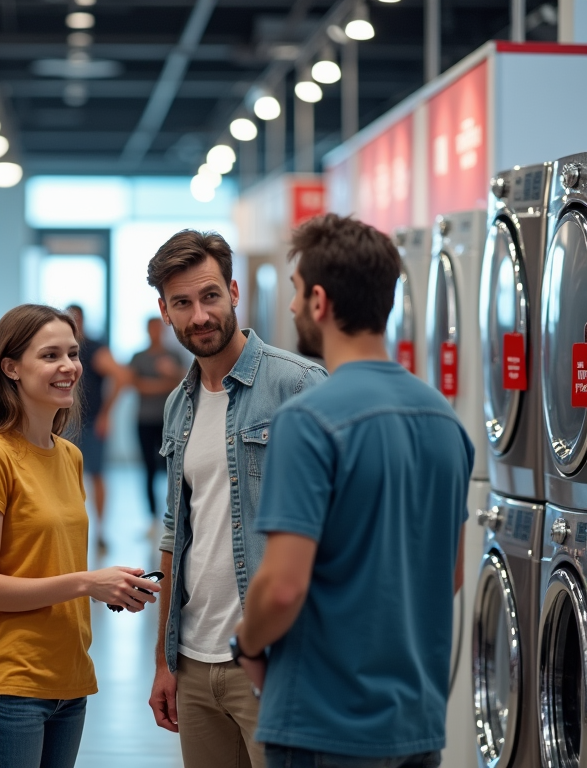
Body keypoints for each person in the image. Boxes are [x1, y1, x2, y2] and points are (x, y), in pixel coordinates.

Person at [232, 214, 473, 768]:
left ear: (319, 300)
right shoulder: (444, 422)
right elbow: (451, 573)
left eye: (295, 292)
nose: (291, 307)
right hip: (416, 724)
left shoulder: (309, 421)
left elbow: (284, 586)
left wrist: (246, 644)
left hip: (324, 724)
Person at [0, 303, 161, 768]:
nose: (69, 367)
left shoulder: (69, 456)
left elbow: (52, 563)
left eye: (73, 353)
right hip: (11, 683)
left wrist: (111, 585)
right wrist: (87, 582)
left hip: (69, 676)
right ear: (11, 368)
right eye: (50, 356)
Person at [145, 230, 327, 768]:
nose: (199, 315)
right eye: (182, 303)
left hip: (277, 660)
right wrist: (164, 659)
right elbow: (176, 533)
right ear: (165, 311)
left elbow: (340, 528)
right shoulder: (179, 404)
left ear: (234, 292)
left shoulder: (299, 385)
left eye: (209, 297)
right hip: (194, 664)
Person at [65, 304, 127, 551]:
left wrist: (105, 414)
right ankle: (69, 531)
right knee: (64, 478)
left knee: (96, 475)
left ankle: (99, 531)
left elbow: (121, 376)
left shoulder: (92, 347)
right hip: (64, 423)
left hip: (90, 423)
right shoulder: (61, 348)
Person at [129, 317, 186, 521]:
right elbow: (136, 385)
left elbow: (186, 381)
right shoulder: (138, 357)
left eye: (158, 328)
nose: (155, 332)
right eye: (151, 328)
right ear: (147, 330)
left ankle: (174, 512)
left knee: (173, 467)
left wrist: (171, 374)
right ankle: (152, 516)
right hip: (144, 420)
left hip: (170, 420)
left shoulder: (173, 356)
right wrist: (166, 383)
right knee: (148, 468)